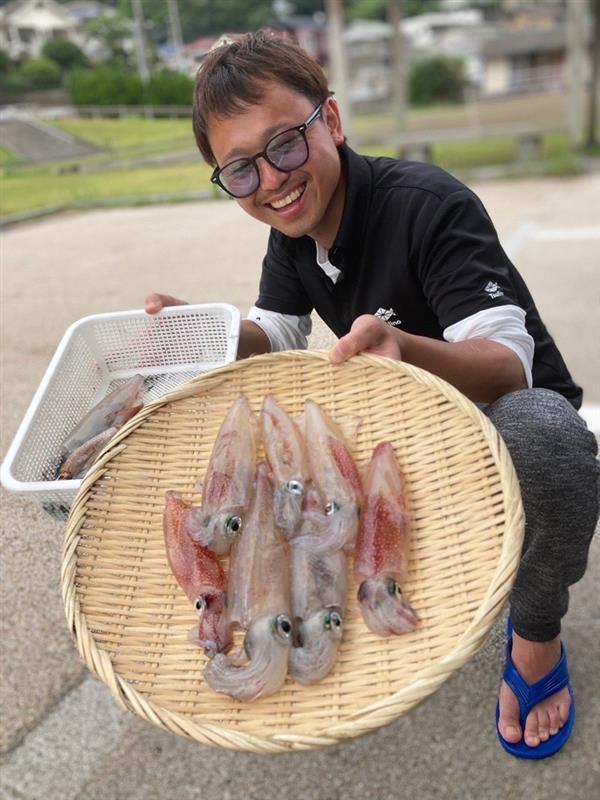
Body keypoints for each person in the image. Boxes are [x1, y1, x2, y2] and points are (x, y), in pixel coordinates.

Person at [145, 31, 599, 759]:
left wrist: (405, 350)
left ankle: (538, 631)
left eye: (285, 145)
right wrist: (209, 331)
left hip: (497, 417)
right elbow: (278, 332)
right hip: (406, 428)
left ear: (330, 121)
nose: (270, 180)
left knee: (550, 437)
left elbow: (512, 365)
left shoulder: (426, 204)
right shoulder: (291, 237)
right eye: (239, 170)